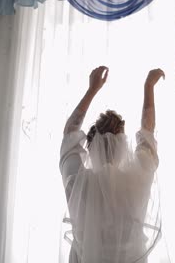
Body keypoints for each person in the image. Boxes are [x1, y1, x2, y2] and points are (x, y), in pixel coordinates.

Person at [59, 66, 165, 263]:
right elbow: (148, 130)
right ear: (124, 145)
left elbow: (69, 133)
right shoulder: (138, 177)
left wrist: (92, 90)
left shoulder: (78, 183)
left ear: (91, 147)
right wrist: (149, 86)